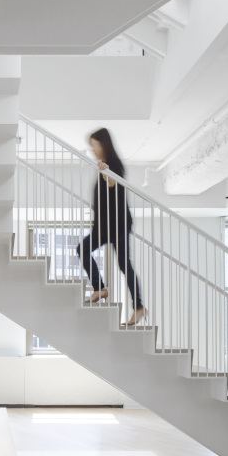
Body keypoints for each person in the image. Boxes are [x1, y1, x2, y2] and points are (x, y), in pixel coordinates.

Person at [77, 127, 146, 326]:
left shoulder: (112, 163)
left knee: (125, 265)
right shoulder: (105, 164)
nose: (92, 149)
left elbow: (114, 184)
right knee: (83, 248)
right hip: (105, 225)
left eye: (93, 145)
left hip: (117, 224)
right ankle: (100, 288)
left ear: (102, 143)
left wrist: (106, 174)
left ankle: (139, 307)